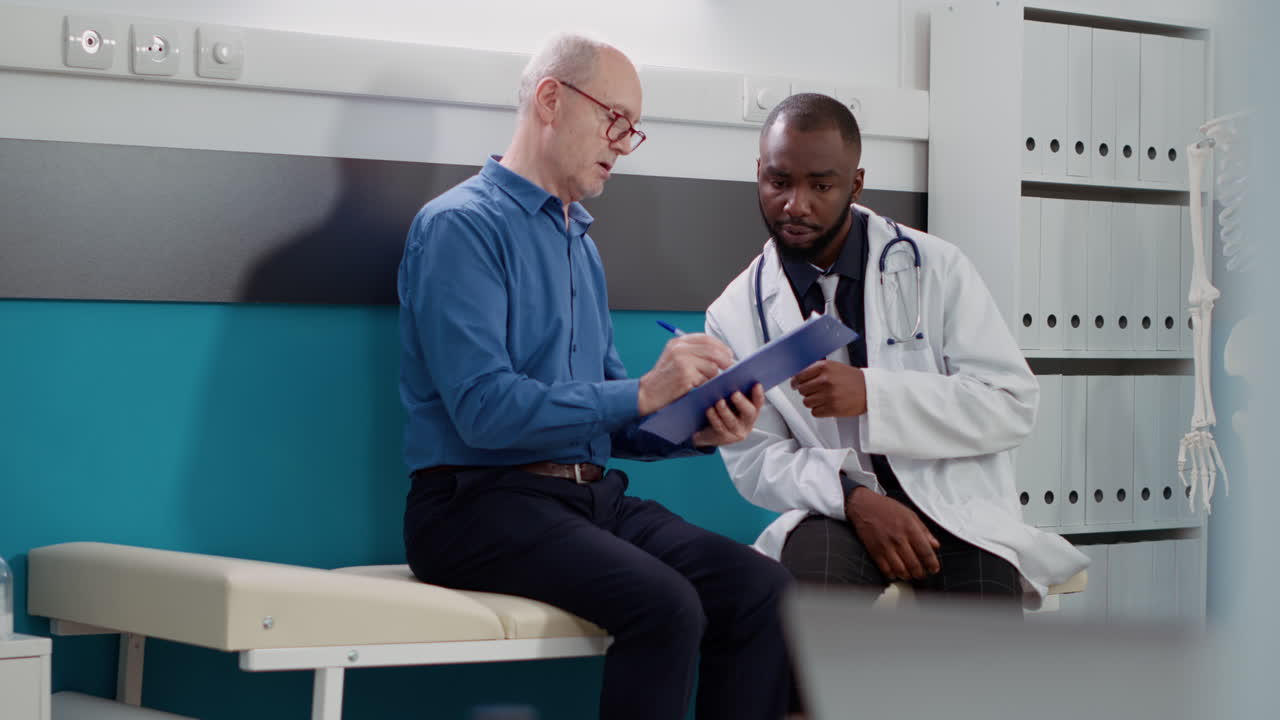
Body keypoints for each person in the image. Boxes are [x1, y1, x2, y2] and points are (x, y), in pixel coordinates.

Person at [397, 33, 793, 720]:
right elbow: (483, 411)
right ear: (550, 99)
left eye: (632, 129)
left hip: (584, 499)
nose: (622, 142)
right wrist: (643, 390)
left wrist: (696, 427)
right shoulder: (460, 228)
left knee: (762, 589)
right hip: (474, 507)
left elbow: (608, 419)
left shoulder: (581, 241)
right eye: (614, 119)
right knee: (667, 607)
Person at [705, 93, 1088, 606]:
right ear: (758, 173)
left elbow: (1011, 406)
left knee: (981, 631)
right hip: (834, 510)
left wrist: (873, 394)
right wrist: (854, 498)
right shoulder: (734, 313)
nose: (795, 204)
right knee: (811, 606)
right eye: (779, 182)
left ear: (856, 183)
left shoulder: (937, 267)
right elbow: (757, 459)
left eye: (821, 185)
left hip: (951, 502)